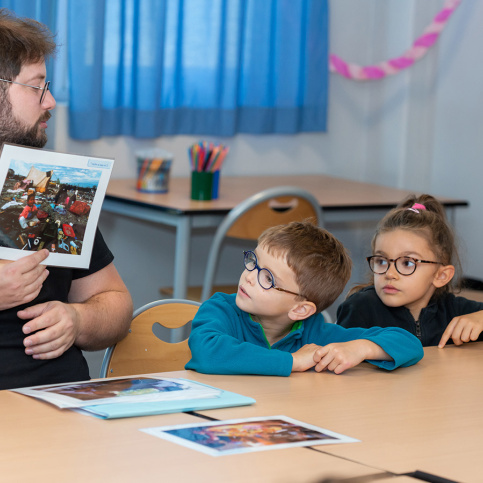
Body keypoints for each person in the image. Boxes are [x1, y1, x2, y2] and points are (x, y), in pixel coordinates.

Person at [0, 9, 133, 389]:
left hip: (61, 399)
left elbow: (115, 304)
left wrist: (77, 320)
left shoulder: (44, 186)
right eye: (37, 86)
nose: (51, 101)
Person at [185, 221, 423, 376]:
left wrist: (360, 348)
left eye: (267, 278)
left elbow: (410, 344)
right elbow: (207, 352)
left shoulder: (313, 333)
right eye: (253, 262)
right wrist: (292, 361)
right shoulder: (221, 309)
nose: (248, 276)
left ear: (300, 310)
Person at [337, 194, 483, 348]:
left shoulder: (454, 309)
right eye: (382, 261)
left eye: (407, 263)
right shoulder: (359, 309)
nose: (390, 274)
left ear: (441, 275)